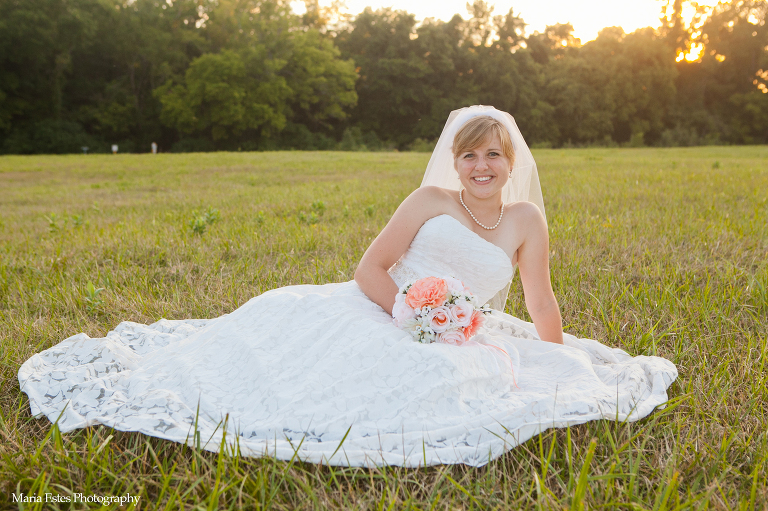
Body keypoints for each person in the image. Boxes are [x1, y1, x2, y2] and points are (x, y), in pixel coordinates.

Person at [18, 105, 677, 468]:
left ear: (512, 162)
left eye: (494, 154)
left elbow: (539, 298)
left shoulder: (527, 220)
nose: (482, 165)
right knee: (305, 360)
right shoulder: (428, 199)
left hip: (459, 333)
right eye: (470, 154)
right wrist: (410, 312)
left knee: (449, 383)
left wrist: (555, 357)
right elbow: (371, 266)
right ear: (456, 161)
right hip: (382, 307)